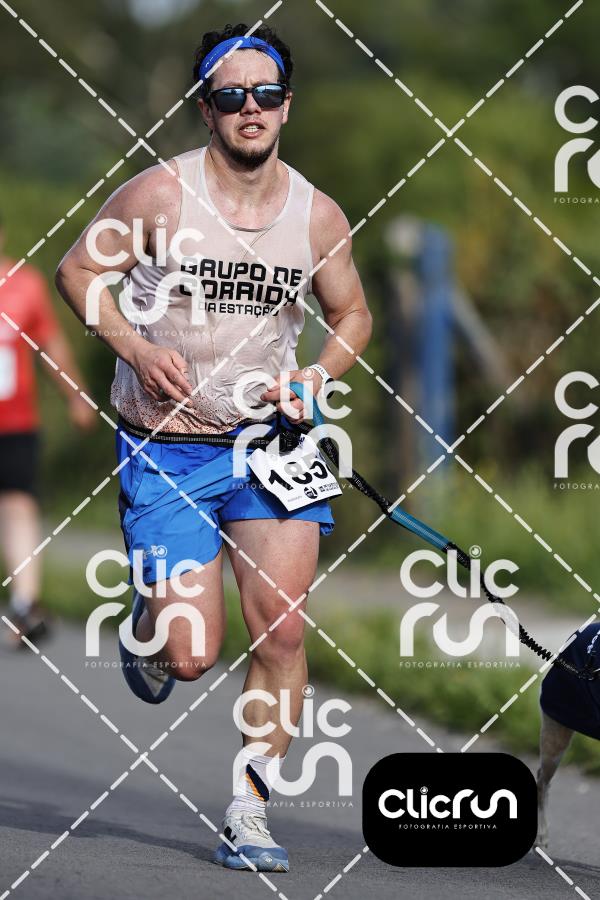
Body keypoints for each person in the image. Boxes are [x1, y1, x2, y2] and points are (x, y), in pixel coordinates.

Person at [55, 22, 372, 873]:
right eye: (231, 96)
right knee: (192, 654)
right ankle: (149, 626)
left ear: (287, 105)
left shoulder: (317, 216)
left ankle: (249, 811)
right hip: (168, 448)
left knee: (283, 633)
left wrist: (316, 375)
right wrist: (133, 347)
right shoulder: (159, 197)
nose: (250, 108)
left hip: (271, 447)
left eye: (265, 93)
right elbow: (77, 274)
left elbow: (352, 313)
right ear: (207, 109)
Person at [0, 214, 94, 643]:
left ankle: (25, 605)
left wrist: (76, 395)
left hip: (14, 422)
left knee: (19, 503)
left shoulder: (25, 285)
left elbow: (49, 345)